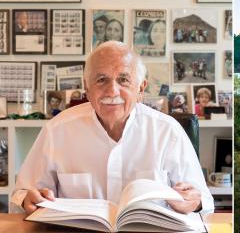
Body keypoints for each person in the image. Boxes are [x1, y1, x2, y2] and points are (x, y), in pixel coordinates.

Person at [10, 41, 214, 215]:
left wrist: (194, 202)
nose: (112, 90)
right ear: (87, 88)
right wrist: (29, 199)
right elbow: (21, 195)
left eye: (123, 79)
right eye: (101, 80)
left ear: (140, 88)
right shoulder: (57, 130)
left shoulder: (168, 131)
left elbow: (204, 201)